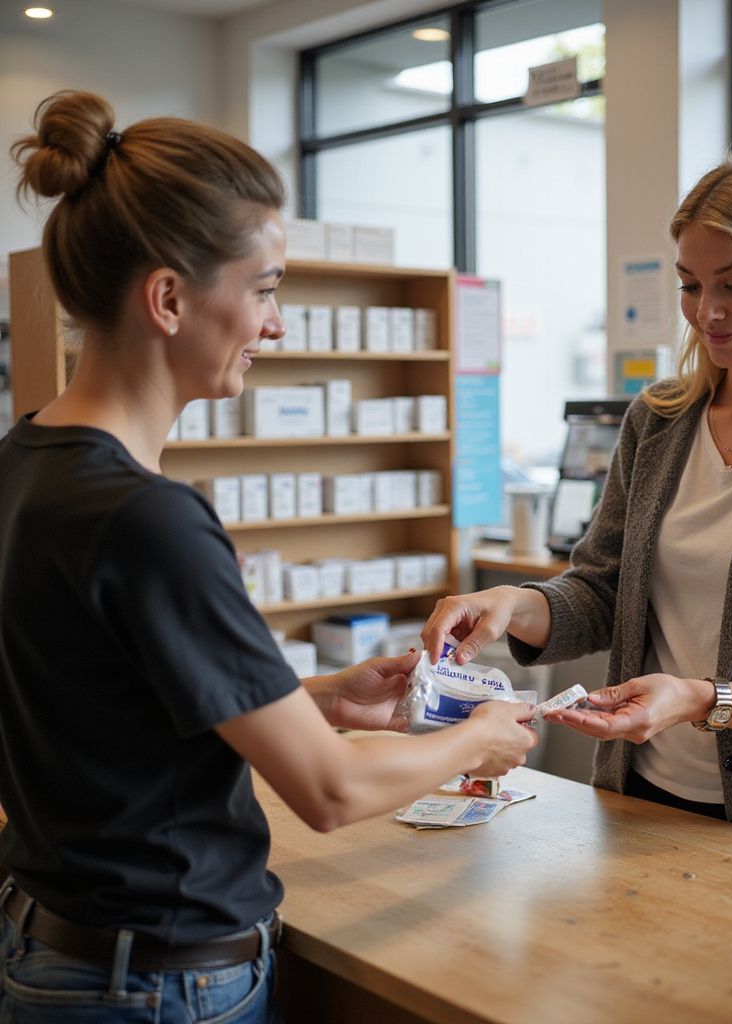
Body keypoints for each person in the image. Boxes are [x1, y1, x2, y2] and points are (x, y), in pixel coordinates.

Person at [0, 90, 536, 1023]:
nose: (276, 326)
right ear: (168, 299)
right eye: (265, 289)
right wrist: (480, 739)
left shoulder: (22, 466)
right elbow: (329, 793)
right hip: (156, 984)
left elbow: (103, 706)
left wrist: (320, 700)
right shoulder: (148, 519)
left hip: (53, 945)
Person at [423, 153, 732, 862]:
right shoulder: (658, 422)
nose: (708, 313)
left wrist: (703, 700)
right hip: (643, 808)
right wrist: (514, 604)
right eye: (692, 286)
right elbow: (602, 590)